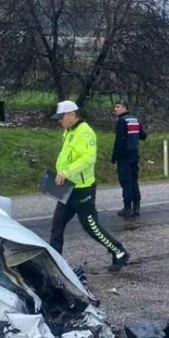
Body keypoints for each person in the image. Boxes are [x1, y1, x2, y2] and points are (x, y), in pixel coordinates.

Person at [49, 101, 131, 271]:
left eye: (61, 117)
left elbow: (88, 158)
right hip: (67, 187)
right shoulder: (68, 131)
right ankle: (54, 263)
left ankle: (119, 251)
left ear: (72, 115)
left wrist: (66, 172)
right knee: (57, 225)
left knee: (91, 227)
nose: (59, 121)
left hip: (82, 189)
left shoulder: (85, 132)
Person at [111, 100, 147, 218]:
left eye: (118, 107)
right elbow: (143, 136)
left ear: (125, 108)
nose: (115, 109)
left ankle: (127, 208)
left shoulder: (121, 121)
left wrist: (114, 159)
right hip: (134, 155)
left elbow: (119, 142)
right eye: (115, 107)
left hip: (124, 156)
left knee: (126, 182)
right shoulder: (134, 119)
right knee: (134, 181)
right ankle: (136, 207)